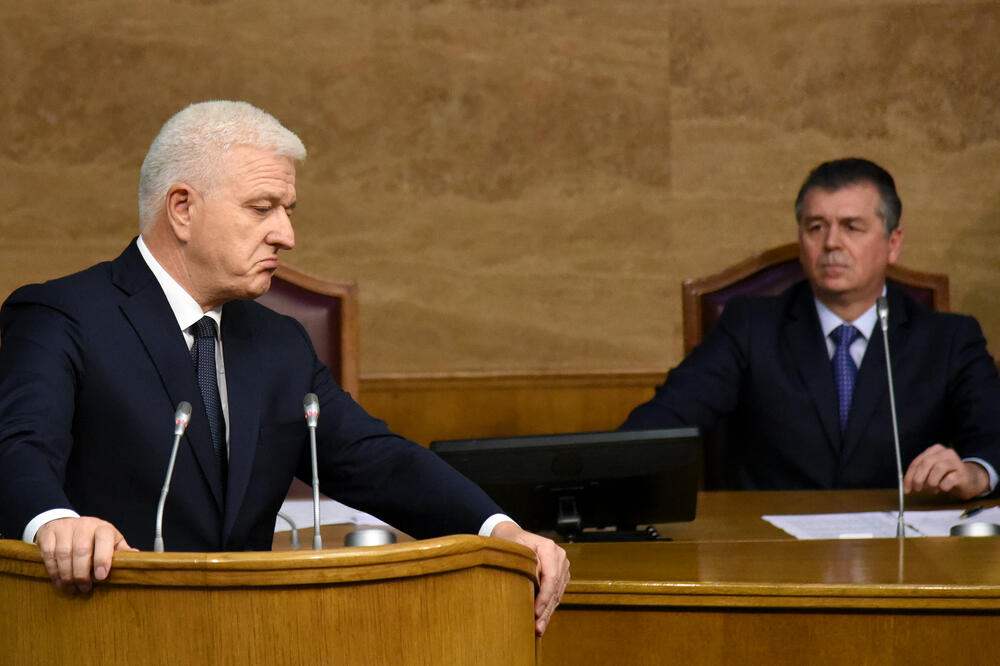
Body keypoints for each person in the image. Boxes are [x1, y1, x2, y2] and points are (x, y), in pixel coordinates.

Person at [0, 100, 568, 635]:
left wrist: (501, 531)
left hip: (253, 635)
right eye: (261, 208)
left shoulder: (278, 342)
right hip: (100, 630)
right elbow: (18, 447)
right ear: (182, 209)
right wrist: (56, 523)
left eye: (287, 211)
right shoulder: (61, 315)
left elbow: (375, 459)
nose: (286, 235)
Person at [622, 157, 1000, 499]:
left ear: (893, 243)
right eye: (816, 227)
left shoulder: (948, 339)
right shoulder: (750, 327)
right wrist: (600, 465)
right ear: (801, 240)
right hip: (769, 553)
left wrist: (976, 473)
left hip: (906, 549)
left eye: (852, 227)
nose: (832, 243)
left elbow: (993, 437)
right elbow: (666, 421)